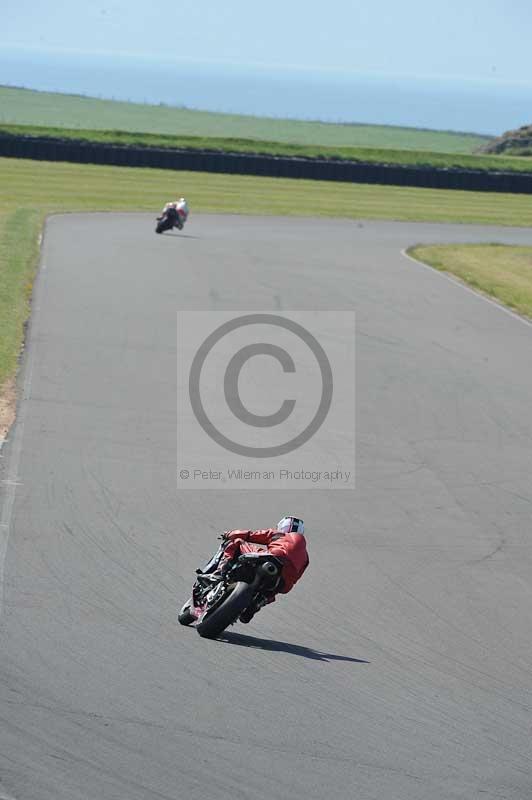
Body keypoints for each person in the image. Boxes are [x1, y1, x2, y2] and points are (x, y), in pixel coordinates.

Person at [217, 516, 309, 623]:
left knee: (237, 541)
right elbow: (295, 579)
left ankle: (221, 570)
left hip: (271, 558)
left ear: (282, 526)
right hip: (283, 581)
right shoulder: (306, 557)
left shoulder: (279, 534)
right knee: (273, 591)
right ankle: (258, 603)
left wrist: (229, 534)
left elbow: (249, 535)